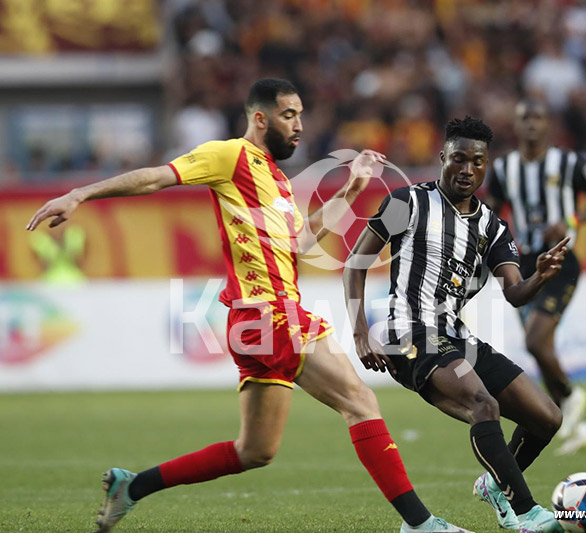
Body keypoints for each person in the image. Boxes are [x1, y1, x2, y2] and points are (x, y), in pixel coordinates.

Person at [26, 79, 470, 533]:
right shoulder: (229, 155)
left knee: (254, 451)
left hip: (254, 322)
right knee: (360, 402)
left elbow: (299, 242)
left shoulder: (276, 179)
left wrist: (353, 186)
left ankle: (132, 487)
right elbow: (157, 177)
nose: (299, 125)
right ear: (260, 118)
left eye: (300, 115)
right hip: (270, 313)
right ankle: (420, 524)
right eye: (288, 115)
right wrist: (78, 194)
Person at [344, 116, 567, 533]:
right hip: (408, 333)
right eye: (459, 159)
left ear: (487, 166)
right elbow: (355, 263)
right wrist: (359, 330)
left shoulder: (493, 227)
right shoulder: (406, 203)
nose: (467, 170)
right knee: (484, 405)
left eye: (477, 162)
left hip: (455, 336)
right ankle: (526, 512)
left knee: (547, 418)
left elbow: (514, 292)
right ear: (442, 157)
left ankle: (496, 486)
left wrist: (541, 276)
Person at [485, 99, 586, 455]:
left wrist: (571, 222)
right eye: (525, 118)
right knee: (539, 347)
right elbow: (492, 210)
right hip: (520, 265)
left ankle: (571, 399)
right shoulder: (504, 168)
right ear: (516, 123)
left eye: (537, 118)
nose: (531, 125)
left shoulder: (569, 163)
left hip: (559, 263)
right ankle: (577, 426)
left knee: (536, 342)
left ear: (547, 125)